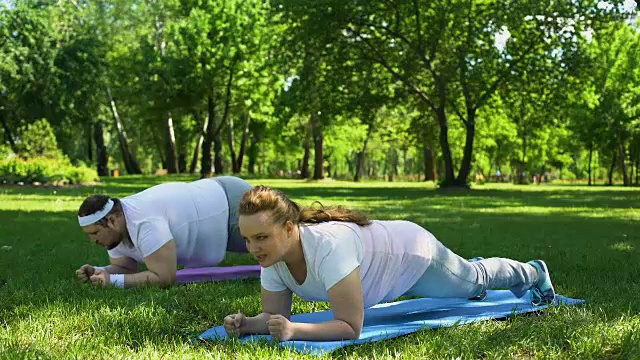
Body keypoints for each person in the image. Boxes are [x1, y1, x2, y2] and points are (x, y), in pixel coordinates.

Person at [223, 186, 556, 342]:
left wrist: (295, 331)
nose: (253, 248)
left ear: (289, 228)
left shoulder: (329, 249)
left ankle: (533, 272)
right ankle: (465, 274)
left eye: (262, 238)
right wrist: (247, 324)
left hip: (412, 258)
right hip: (388, 268)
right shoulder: (272, 257)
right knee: (465, 282)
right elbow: (272, 317)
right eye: (248, 239)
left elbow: (350, 328)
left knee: (473, 280)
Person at [75, 176, 253, 289]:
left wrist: (113, 282)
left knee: (273, 244)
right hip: (217, 201)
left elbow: (164, 277)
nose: (93, 240)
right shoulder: (116, 226)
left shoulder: (144, 222)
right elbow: (125, 268)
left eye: (95, 233)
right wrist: (99, 273)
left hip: (229, 205)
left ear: (111, 221)